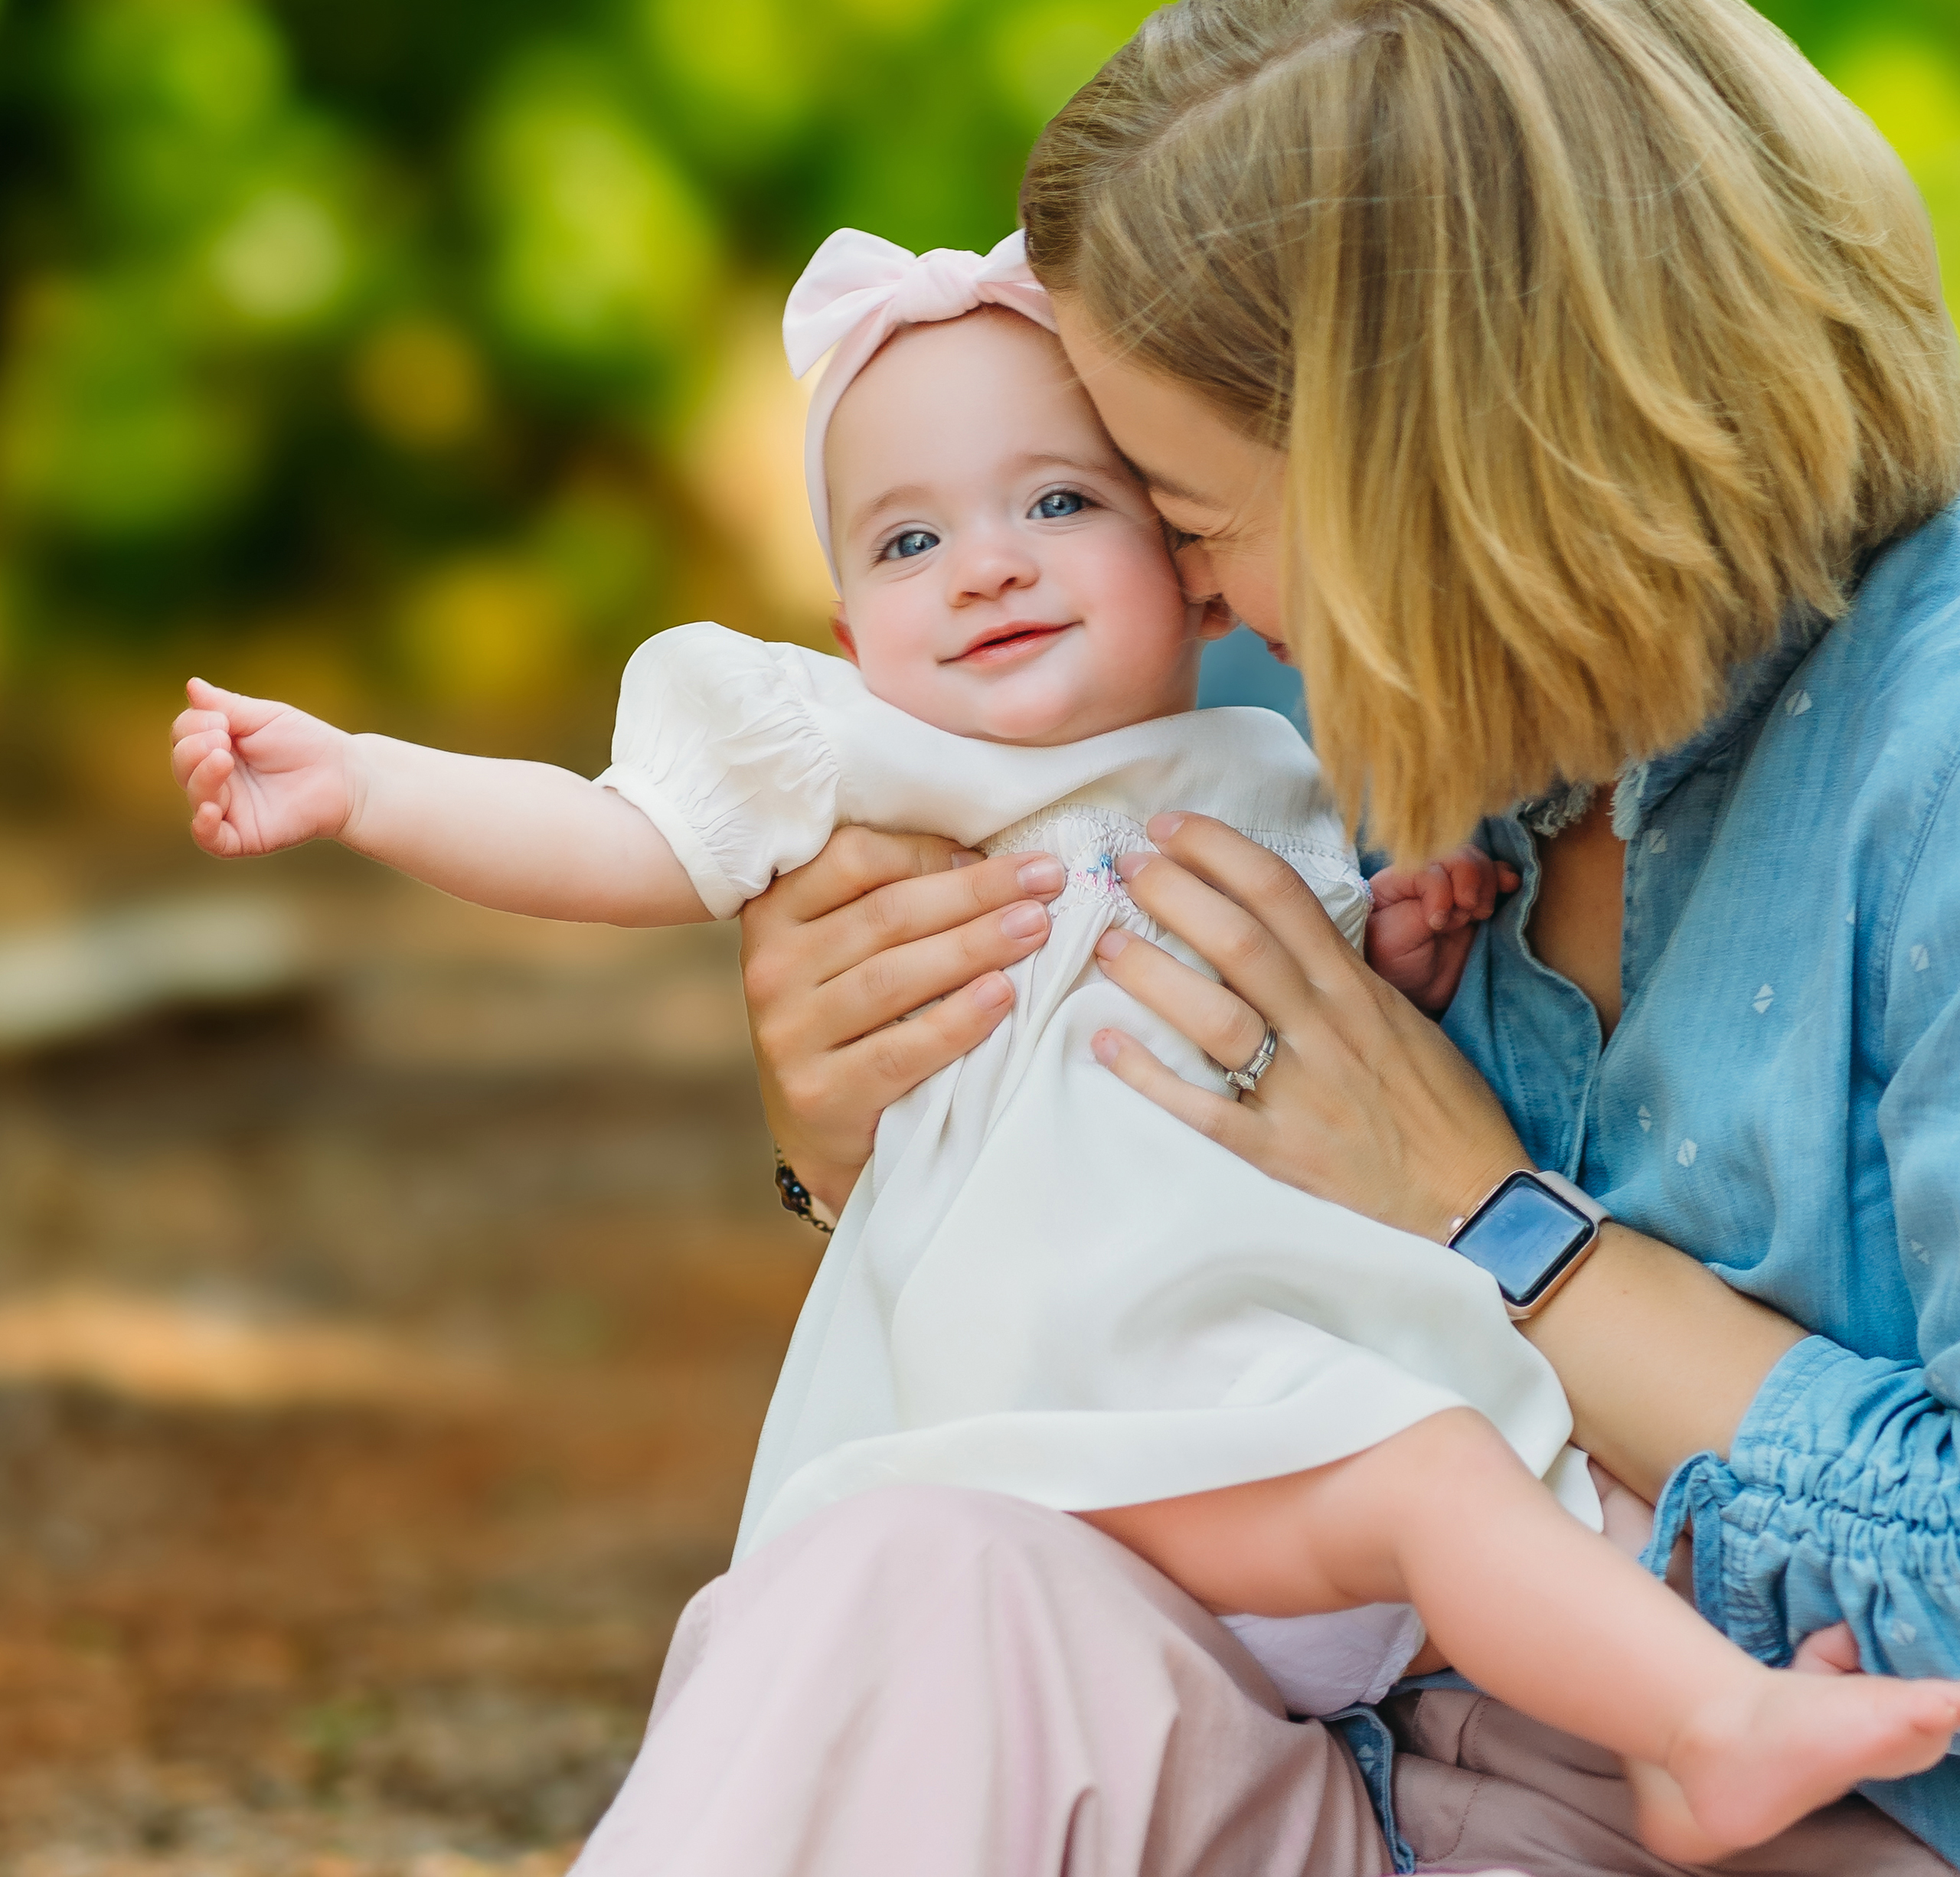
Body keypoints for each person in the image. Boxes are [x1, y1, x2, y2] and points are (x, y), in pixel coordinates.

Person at [171, 211, 1955, 1860]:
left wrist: (1395, 942)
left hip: (1289, 1442)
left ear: (1182, 563)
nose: (988, 573)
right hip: (1095, 1443)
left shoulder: (1279, 758)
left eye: (1069, 505)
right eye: (909, 539)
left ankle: (1686, 1720)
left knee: (1465, 1487)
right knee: (914, 1594)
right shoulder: (877, 757)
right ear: (843, 621)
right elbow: (606, 833)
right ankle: (1686, 1715)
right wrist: (367, 782)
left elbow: (1343, 1033)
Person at [704, 0, 1960, 1873]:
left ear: (1448, 484)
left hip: (1801, 1827)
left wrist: (1492, 1221)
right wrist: (859, 1129)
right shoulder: (1392, 741)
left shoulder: (1926, 762)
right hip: (1366, 1778)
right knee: (897, 1582)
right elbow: (1137, 1336)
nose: (1190, 607)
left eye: (1190, 522)